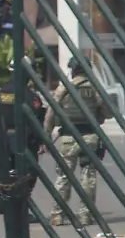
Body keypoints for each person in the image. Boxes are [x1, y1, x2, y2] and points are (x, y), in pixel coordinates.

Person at [47, 66, 110, 228]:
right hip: (89, 137)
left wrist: (47, 134)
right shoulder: (95, 88)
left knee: (63, 177)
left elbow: (51, 113)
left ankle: (57, 215)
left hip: (68, 137)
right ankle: (85, 215)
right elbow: (107, 112)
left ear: (73, 71)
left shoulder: (64, 88)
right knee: (88, 177)